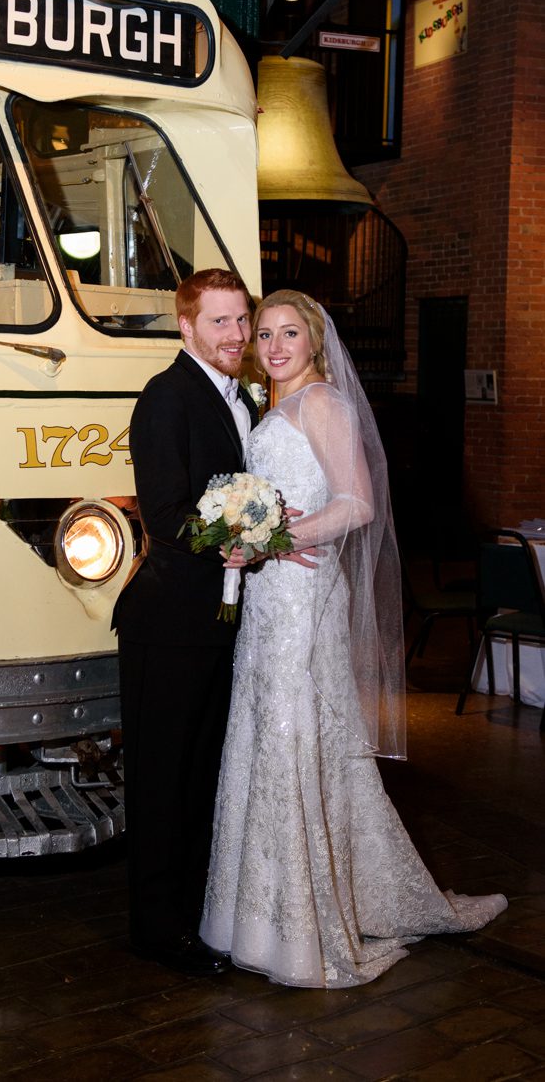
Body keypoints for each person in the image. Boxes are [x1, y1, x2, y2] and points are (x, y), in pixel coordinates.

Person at [200, 289, 507, 989]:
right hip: (269, 599)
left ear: (314, 340)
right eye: (266, 335)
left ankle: (303, 927)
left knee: (293, 738)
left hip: (304, 600)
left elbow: (357, 502)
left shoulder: (324, 405)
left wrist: (275, 535)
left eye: (289, 334)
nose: (275, 347)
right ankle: (259, 916)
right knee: (267, 738)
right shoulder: (273, 404)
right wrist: (250, 541)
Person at [113, 267, 257, 977]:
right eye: (221, 322)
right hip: (166, 622)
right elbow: (166, 515)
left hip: (217, 621)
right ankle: (156, 929)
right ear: (187, 326)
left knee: (202, 774)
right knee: (162, 779)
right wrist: (235, 540)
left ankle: (195, 915)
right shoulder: (165, 398)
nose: (235, 335)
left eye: (241, 321)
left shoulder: (243, 399)